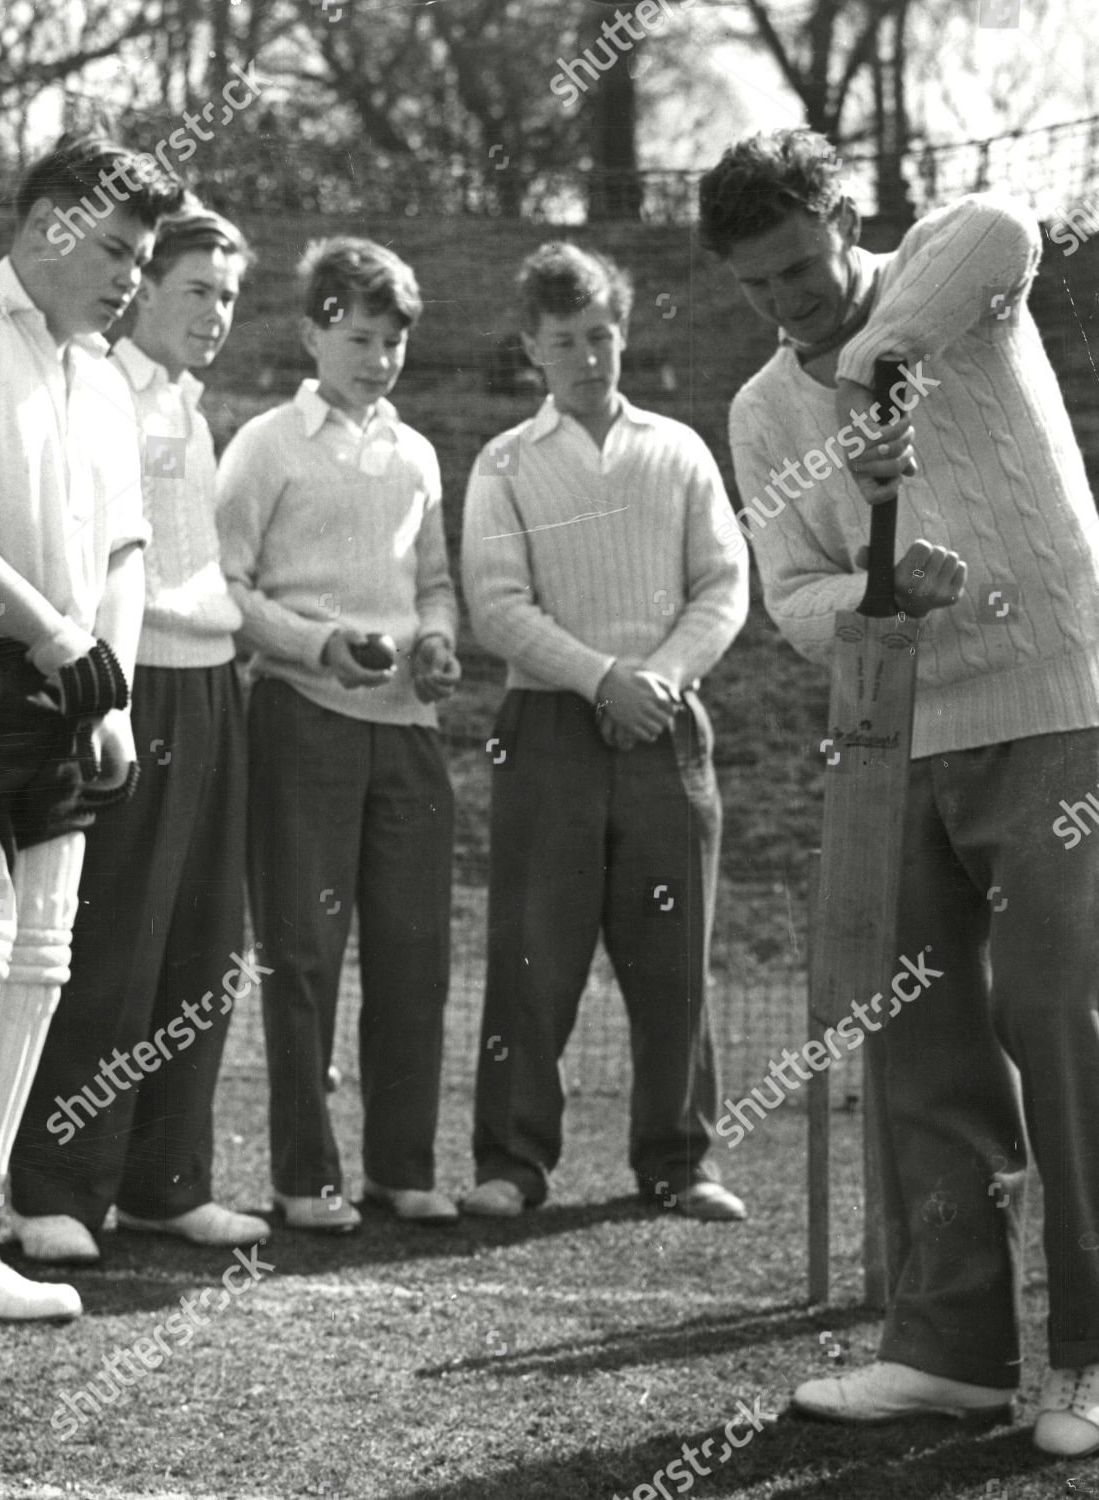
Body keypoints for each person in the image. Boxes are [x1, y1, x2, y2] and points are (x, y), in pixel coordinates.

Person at [700, 128, 1099, 1455]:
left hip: (1062, 705)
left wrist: (877, 364)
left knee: (1056, 1015)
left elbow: (1009, 223)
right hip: (903, 733)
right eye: (756, 283)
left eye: (802, 263)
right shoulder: (761, 411)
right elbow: (795, 600)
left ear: (845, 217)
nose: (788, 300)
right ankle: (954, 1354)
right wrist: (883, 590)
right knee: (918, 1044)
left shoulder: (947, 272)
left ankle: (1090, 1359)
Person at [0, 133, 182, 1379]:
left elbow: (126, 553)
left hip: (70, 702)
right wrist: (51, 631)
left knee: (35, 958)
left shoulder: (109, 381)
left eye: (142, 258)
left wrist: (107, 688)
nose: (130, 277)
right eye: (117, 249)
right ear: (52, 224)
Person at [459, 242, 750, 1222]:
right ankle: (510, 1163)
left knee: (674, 954)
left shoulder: (678, 450)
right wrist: (599, 680)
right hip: (548, 728)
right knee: (533, 956)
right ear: (532, 352)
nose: (586, 356)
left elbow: (723, 584)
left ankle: (680, 1162)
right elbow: (494, 606)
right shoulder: (505, 464)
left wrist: (658, 678)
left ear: (620, 334)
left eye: (600, 334)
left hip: (665, 726)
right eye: (563, 341)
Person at [8, 204, 269, 1262]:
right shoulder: (97, 386)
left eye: (230, 297)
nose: (217, 313)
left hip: (213, 688)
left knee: (205, 946)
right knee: (113, 943)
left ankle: (168, 1183)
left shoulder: (189, 409)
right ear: (147, 288)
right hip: (134, 686)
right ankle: (55, 1190)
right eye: (198, 290)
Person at [216, 236, 461, 1233]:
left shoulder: (417, 453)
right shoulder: (265, 444)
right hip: (300, 722)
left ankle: (400, 1172)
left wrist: (438, 640)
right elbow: (224, 589)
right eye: (359, 336)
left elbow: (434, 583)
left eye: (394, 341)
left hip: (408, 732)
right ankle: (303, 1178)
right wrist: (317, 645)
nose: (378, 359)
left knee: (412, 953)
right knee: (304, 955)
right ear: (315, 329)